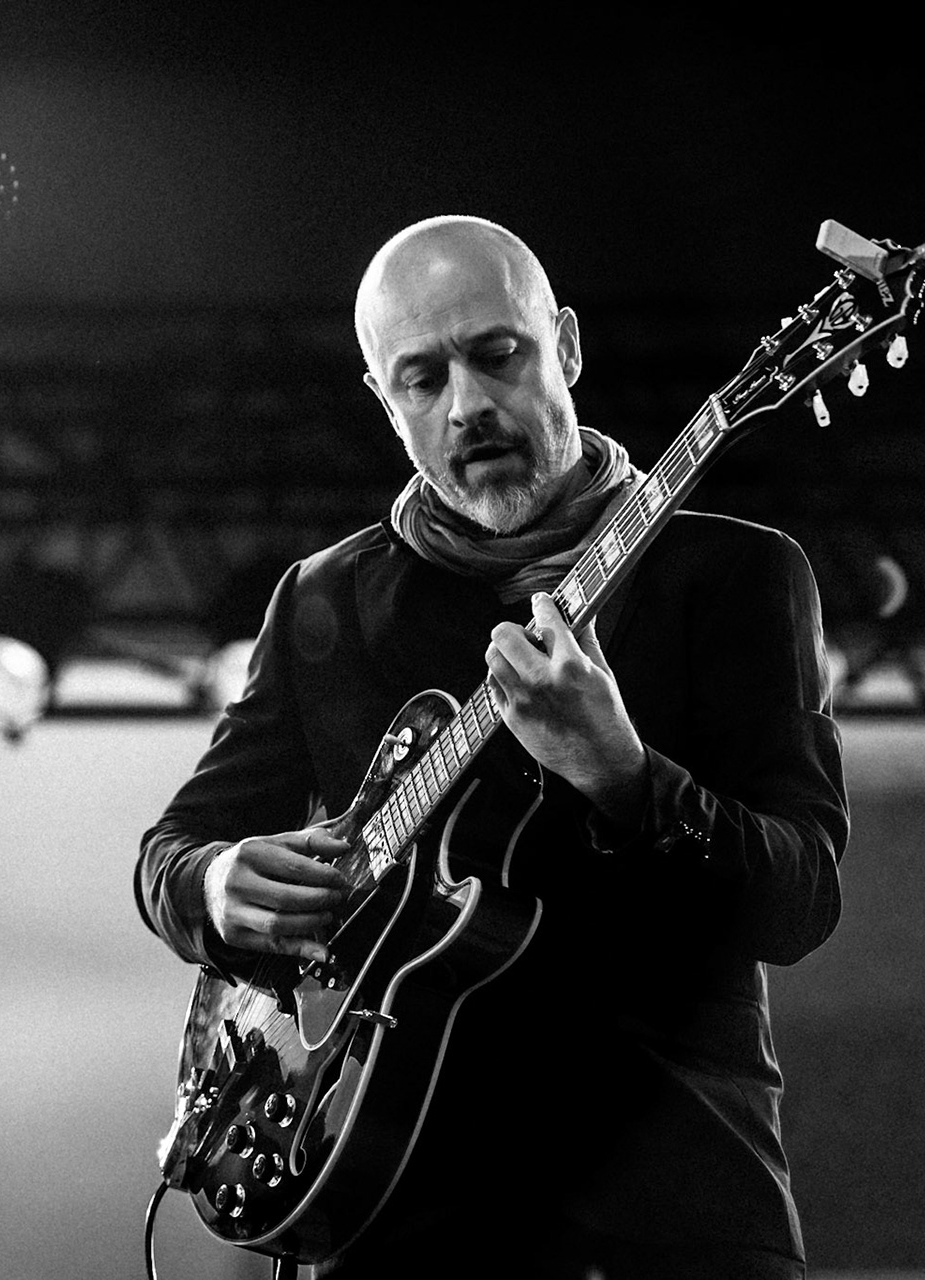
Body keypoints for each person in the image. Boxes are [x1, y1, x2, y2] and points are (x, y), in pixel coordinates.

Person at [137, 216, 847, 1278]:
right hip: (392, 1212)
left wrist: (626, 775)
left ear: (562, 345)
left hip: (673, 1211)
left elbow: (800, 902)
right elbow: (174, 848)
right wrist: (216, 880)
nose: (467, 405)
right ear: (386, 400)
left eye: (496, 354)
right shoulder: (324, 598)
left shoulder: (733, 574)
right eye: (421, 378)